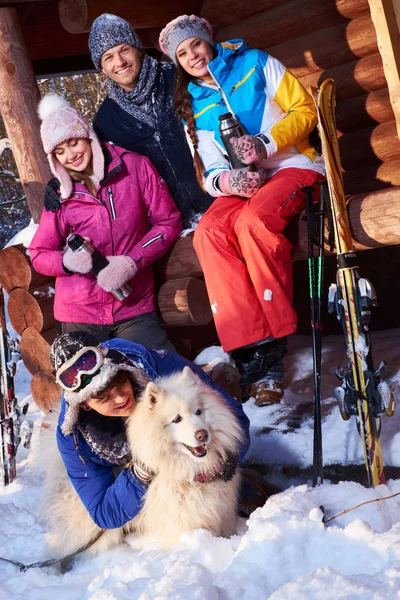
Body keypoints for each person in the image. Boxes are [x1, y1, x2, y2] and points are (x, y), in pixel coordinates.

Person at [159, 15, 326, 405]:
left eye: (195, 45)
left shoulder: (255, 63)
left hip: (294, 166)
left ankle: (275, 335)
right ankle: (252, 343)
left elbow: (304, 110)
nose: (192, 55)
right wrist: (229, 183)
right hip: (246, 183)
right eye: (182, 53)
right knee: (209, 233)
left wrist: (266, 143)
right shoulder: (192, 103)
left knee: (253, 222)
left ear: (208, 40)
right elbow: (210, 169)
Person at [49, 331, 251, 530]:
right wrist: (141, 473)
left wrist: (230, 454)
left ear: (125, 370)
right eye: (104, 398)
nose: (120, 399)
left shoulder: (163, 367)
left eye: (121, 385)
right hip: (128, 473)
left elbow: (235, 419)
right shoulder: (74, 439)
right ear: (84, 404)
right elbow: (105, 513)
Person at [29, 94, 181, 349]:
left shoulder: (135, 167)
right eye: (60, 151)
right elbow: (38, 253)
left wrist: (132, 261)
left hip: (133, 306)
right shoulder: (59, 194)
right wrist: (66, 262)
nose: (71, 156)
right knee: (86, 386)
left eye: (74, 142)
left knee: (162, 376)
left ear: (87, 134)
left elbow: (168, 223)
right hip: (78, 314)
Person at [44, 13, 214, 226]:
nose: (120, 62)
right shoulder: (106, 121)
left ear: (138, 50)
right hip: (173, 224)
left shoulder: (178, 79)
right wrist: (59, 181)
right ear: (102, 67)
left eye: (124, 50)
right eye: (109, 57)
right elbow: (93, 163)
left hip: (219, 198)